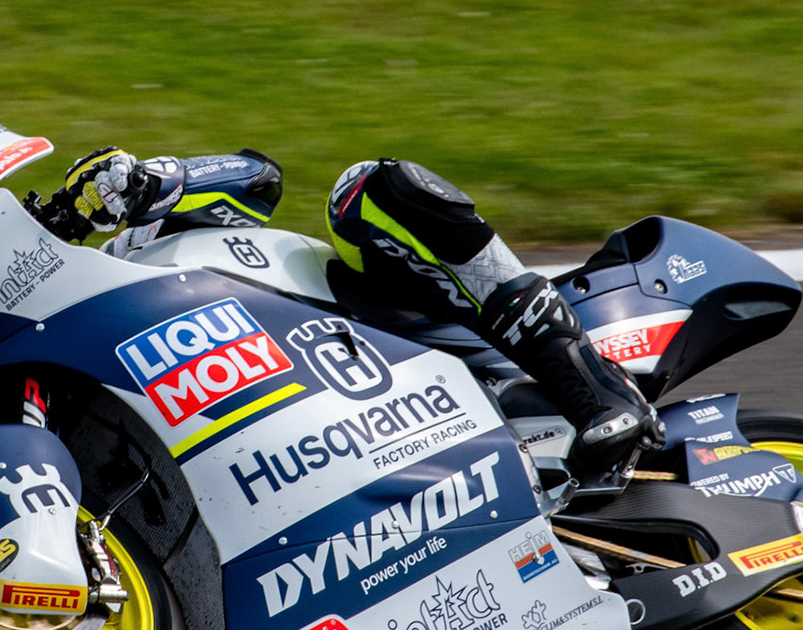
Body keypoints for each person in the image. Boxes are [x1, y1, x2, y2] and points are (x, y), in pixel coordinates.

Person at [37, 147, 663, 485]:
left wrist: (153, 182)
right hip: (297, 449)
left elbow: (257, 180)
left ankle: (594, 389)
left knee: (370, 188)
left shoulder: (124, 250)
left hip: (364, 327)